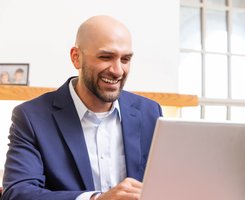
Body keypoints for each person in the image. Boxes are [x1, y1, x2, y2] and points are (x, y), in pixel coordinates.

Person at [1, 15, 162, 200]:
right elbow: (18, 194)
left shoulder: (151, 112)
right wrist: (97, 199)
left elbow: (170, 182)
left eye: (125, 59)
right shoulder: (30, 117)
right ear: (76, 58)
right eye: (106, 57)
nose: (117, 70)